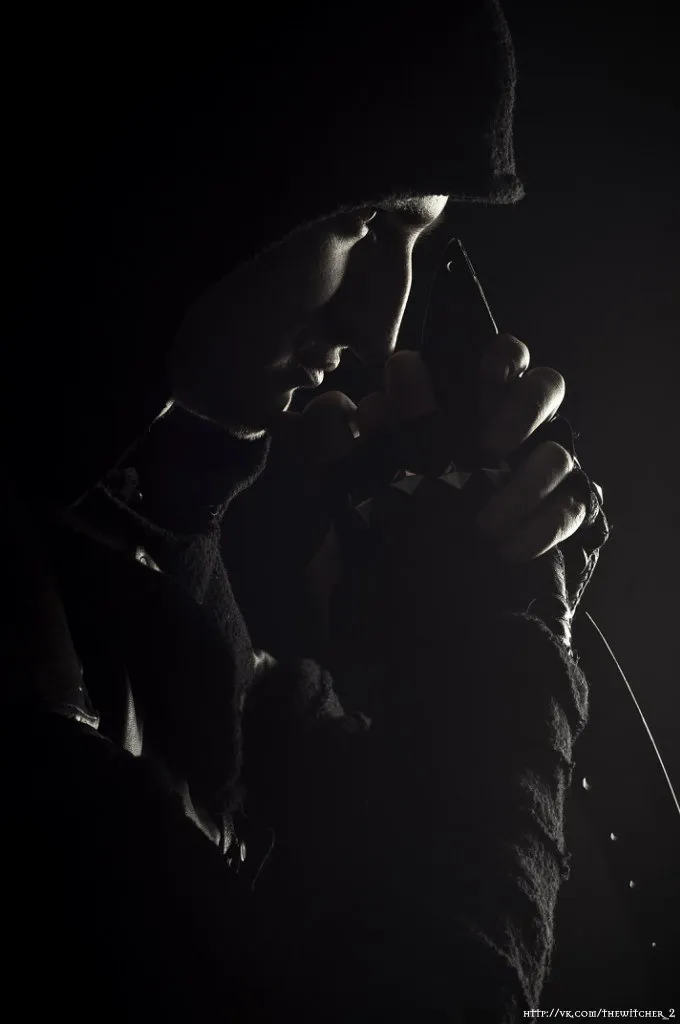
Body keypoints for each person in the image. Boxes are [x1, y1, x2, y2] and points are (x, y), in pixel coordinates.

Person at [2, 2, 609, 1019]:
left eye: (418, 242)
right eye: (360, 222)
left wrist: (429, 623)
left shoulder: (132, 503)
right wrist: (510, 650)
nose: (382, 327)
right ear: (212, 161)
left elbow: (272, 791)